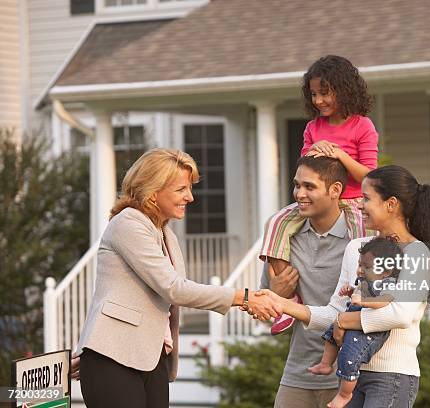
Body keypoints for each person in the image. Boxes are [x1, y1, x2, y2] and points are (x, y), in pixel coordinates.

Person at [70, 148, 281, 408]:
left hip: (150, 356)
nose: (189, 197)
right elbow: (174, 288)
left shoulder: (165, 233)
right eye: (181, 189)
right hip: (114, 358)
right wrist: (243, 298)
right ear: (153, 189)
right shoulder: (128, 223)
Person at [257, 165, 430, 408]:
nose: (358, 205)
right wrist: (283, 305)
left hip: (393, 378)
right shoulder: (357, 248)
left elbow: (400, 314)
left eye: (366, 198)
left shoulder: (416, 252)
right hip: (353, 376)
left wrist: (343, 321)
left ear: (391, 204)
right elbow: (335, 311)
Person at [260, 55, 379, 334]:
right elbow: (305, 168)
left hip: (351, 201)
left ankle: (363, 298)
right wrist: (316, 149)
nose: (319, 100)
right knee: (276, 222)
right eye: (314, 94)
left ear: (344, 89)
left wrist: (339, 155)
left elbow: (371, 177)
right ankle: (286, 297)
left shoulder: (362, 126)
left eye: (325, 93)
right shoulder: (313, 128)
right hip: (318, 198)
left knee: (363, 239)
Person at [260, 155, 366, 408]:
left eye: (309, 186)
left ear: (335, 190)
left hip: (352, 375)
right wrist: (274, 293)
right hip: (299, 373)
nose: (299, 193)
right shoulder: (285, 242)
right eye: (297, 185)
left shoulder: (359, 242)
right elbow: (264, 308)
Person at [309, 237, 404, 408]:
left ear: (386, 272)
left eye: (366, 267)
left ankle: (344, 394)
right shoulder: (365, 281)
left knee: (349, 358)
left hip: (368, 332)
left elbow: (384, 301)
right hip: (353, 322)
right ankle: (325, 364)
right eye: (360, 265)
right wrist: (351, 291)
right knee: (330, 335)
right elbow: (359, 293)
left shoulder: (388, 284)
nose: (360, 270)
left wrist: (363, 301)